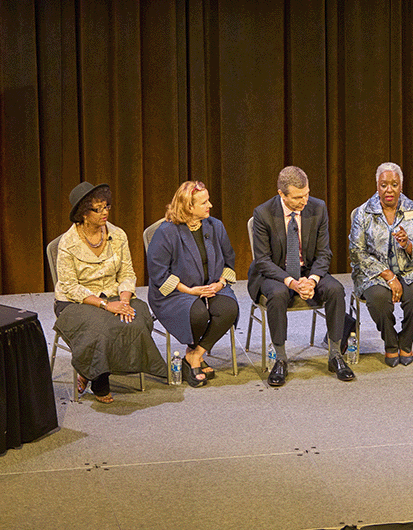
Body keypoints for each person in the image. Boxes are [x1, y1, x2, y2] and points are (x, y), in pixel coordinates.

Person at [53, 182, 167, 403]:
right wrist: (106, 305)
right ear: (83, 214)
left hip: (114, 294)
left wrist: (124, 301)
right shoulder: (68, 243)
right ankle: (99, 379)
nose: (105, 212)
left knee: (137, 317)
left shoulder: (118, 235)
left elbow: (126, 272)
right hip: (76, 301)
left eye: (107, 206)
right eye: (98, 208)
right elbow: (70, 286)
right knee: (101, 327)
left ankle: (92, 370)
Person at [248, 166, 355, 386]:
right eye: (297, 197)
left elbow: (324, 253)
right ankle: (280, 359)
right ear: (282, 194)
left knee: (335, 289)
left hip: (308, 271)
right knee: (278, 295)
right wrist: (292, 282)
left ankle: (335, 354)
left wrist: (312, 279)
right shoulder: (263, 213)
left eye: (306, 194)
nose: (304, 201)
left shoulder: (318, 208)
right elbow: (263, 261)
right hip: (275, 273)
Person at [147, 181, 240, 387]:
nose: (211, 205)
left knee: (228, 308)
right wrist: (189, 290)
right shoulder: (167, 232)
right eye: (204, 202)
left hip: (211, 287)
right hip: (175, 292)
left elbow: (229, 259)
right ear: (189, 207)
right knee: (198, 314)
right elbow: (158, 272)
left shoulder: (215, 226)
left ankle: (195, 354)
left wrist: (221, 282)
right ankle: (195, 354)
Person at [349, 163, 413, 367]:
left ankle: (406, 340)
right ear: (377, 186)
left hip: (411, 270)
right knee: (378, 298)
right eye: (384, 185)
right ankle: (390, 343)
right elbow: (356, 253)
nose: (389, 190)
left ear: (401, 186)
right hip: (375, 273)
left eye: (394, 185)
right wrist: (388, 275)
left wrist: (409, 245)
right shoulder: (364, 213)